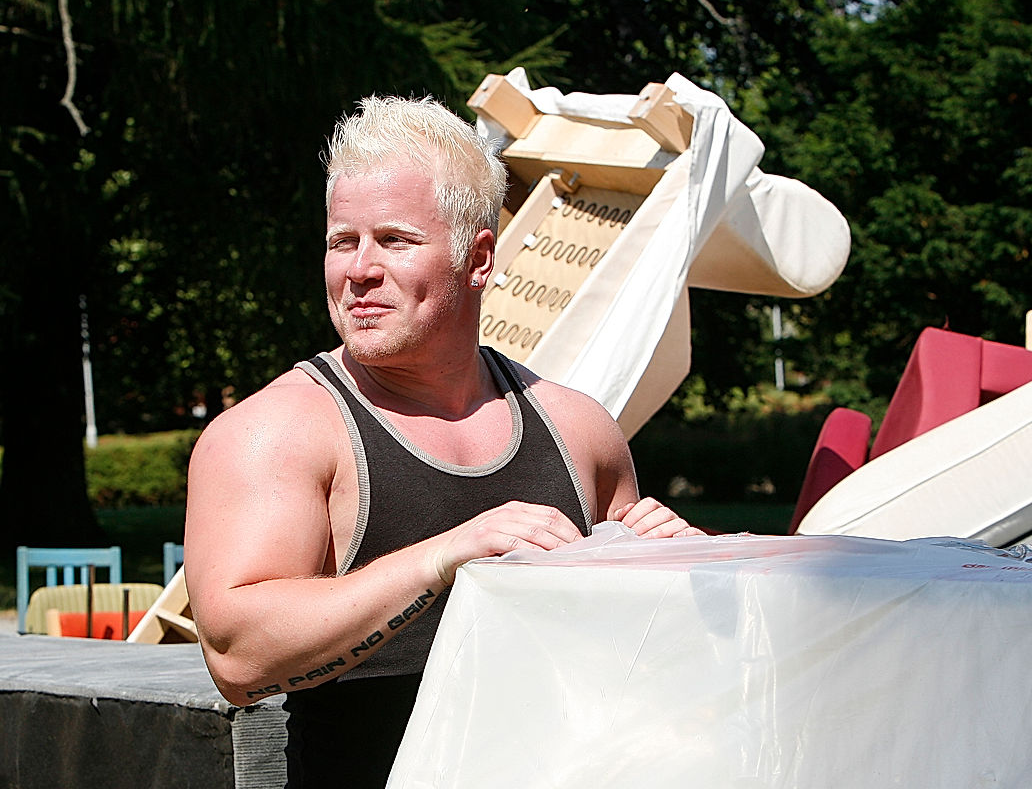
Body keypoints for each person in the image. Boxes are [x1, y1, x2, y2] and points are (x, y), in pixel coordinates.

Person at [184, 94, 703, 788]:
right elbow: (238, 661)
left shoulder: (578, 430)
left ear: (478, 258)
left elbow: (632, 668)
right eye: (343, 240)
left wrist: (673, 571)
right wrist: (441, 560)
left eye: (394, 240)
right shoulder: (273, 433)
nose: (359, 270)